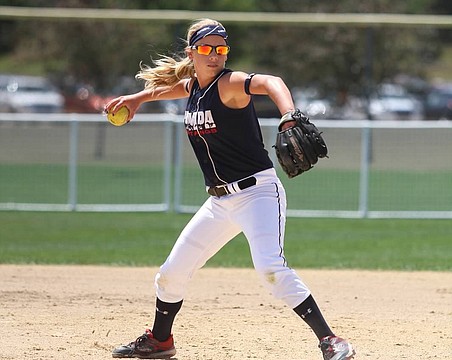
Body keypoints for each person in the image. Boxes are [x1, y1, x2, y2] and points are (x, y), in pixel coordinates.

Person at [105, 18, 355, 360]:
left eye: (220, 49)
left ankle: (331, 340)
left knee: (270, 269)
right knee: (170, 274)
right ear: (192, 52)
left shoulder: (229, 84)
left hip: (258, 194)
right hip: (219, 202)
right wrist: (137, 98)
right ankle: (161, 341)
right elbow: (171, 89)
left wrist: (289, 115)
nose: (215, 55)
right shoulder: (194, 88)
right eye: (206, 48)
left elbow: (271, 81)